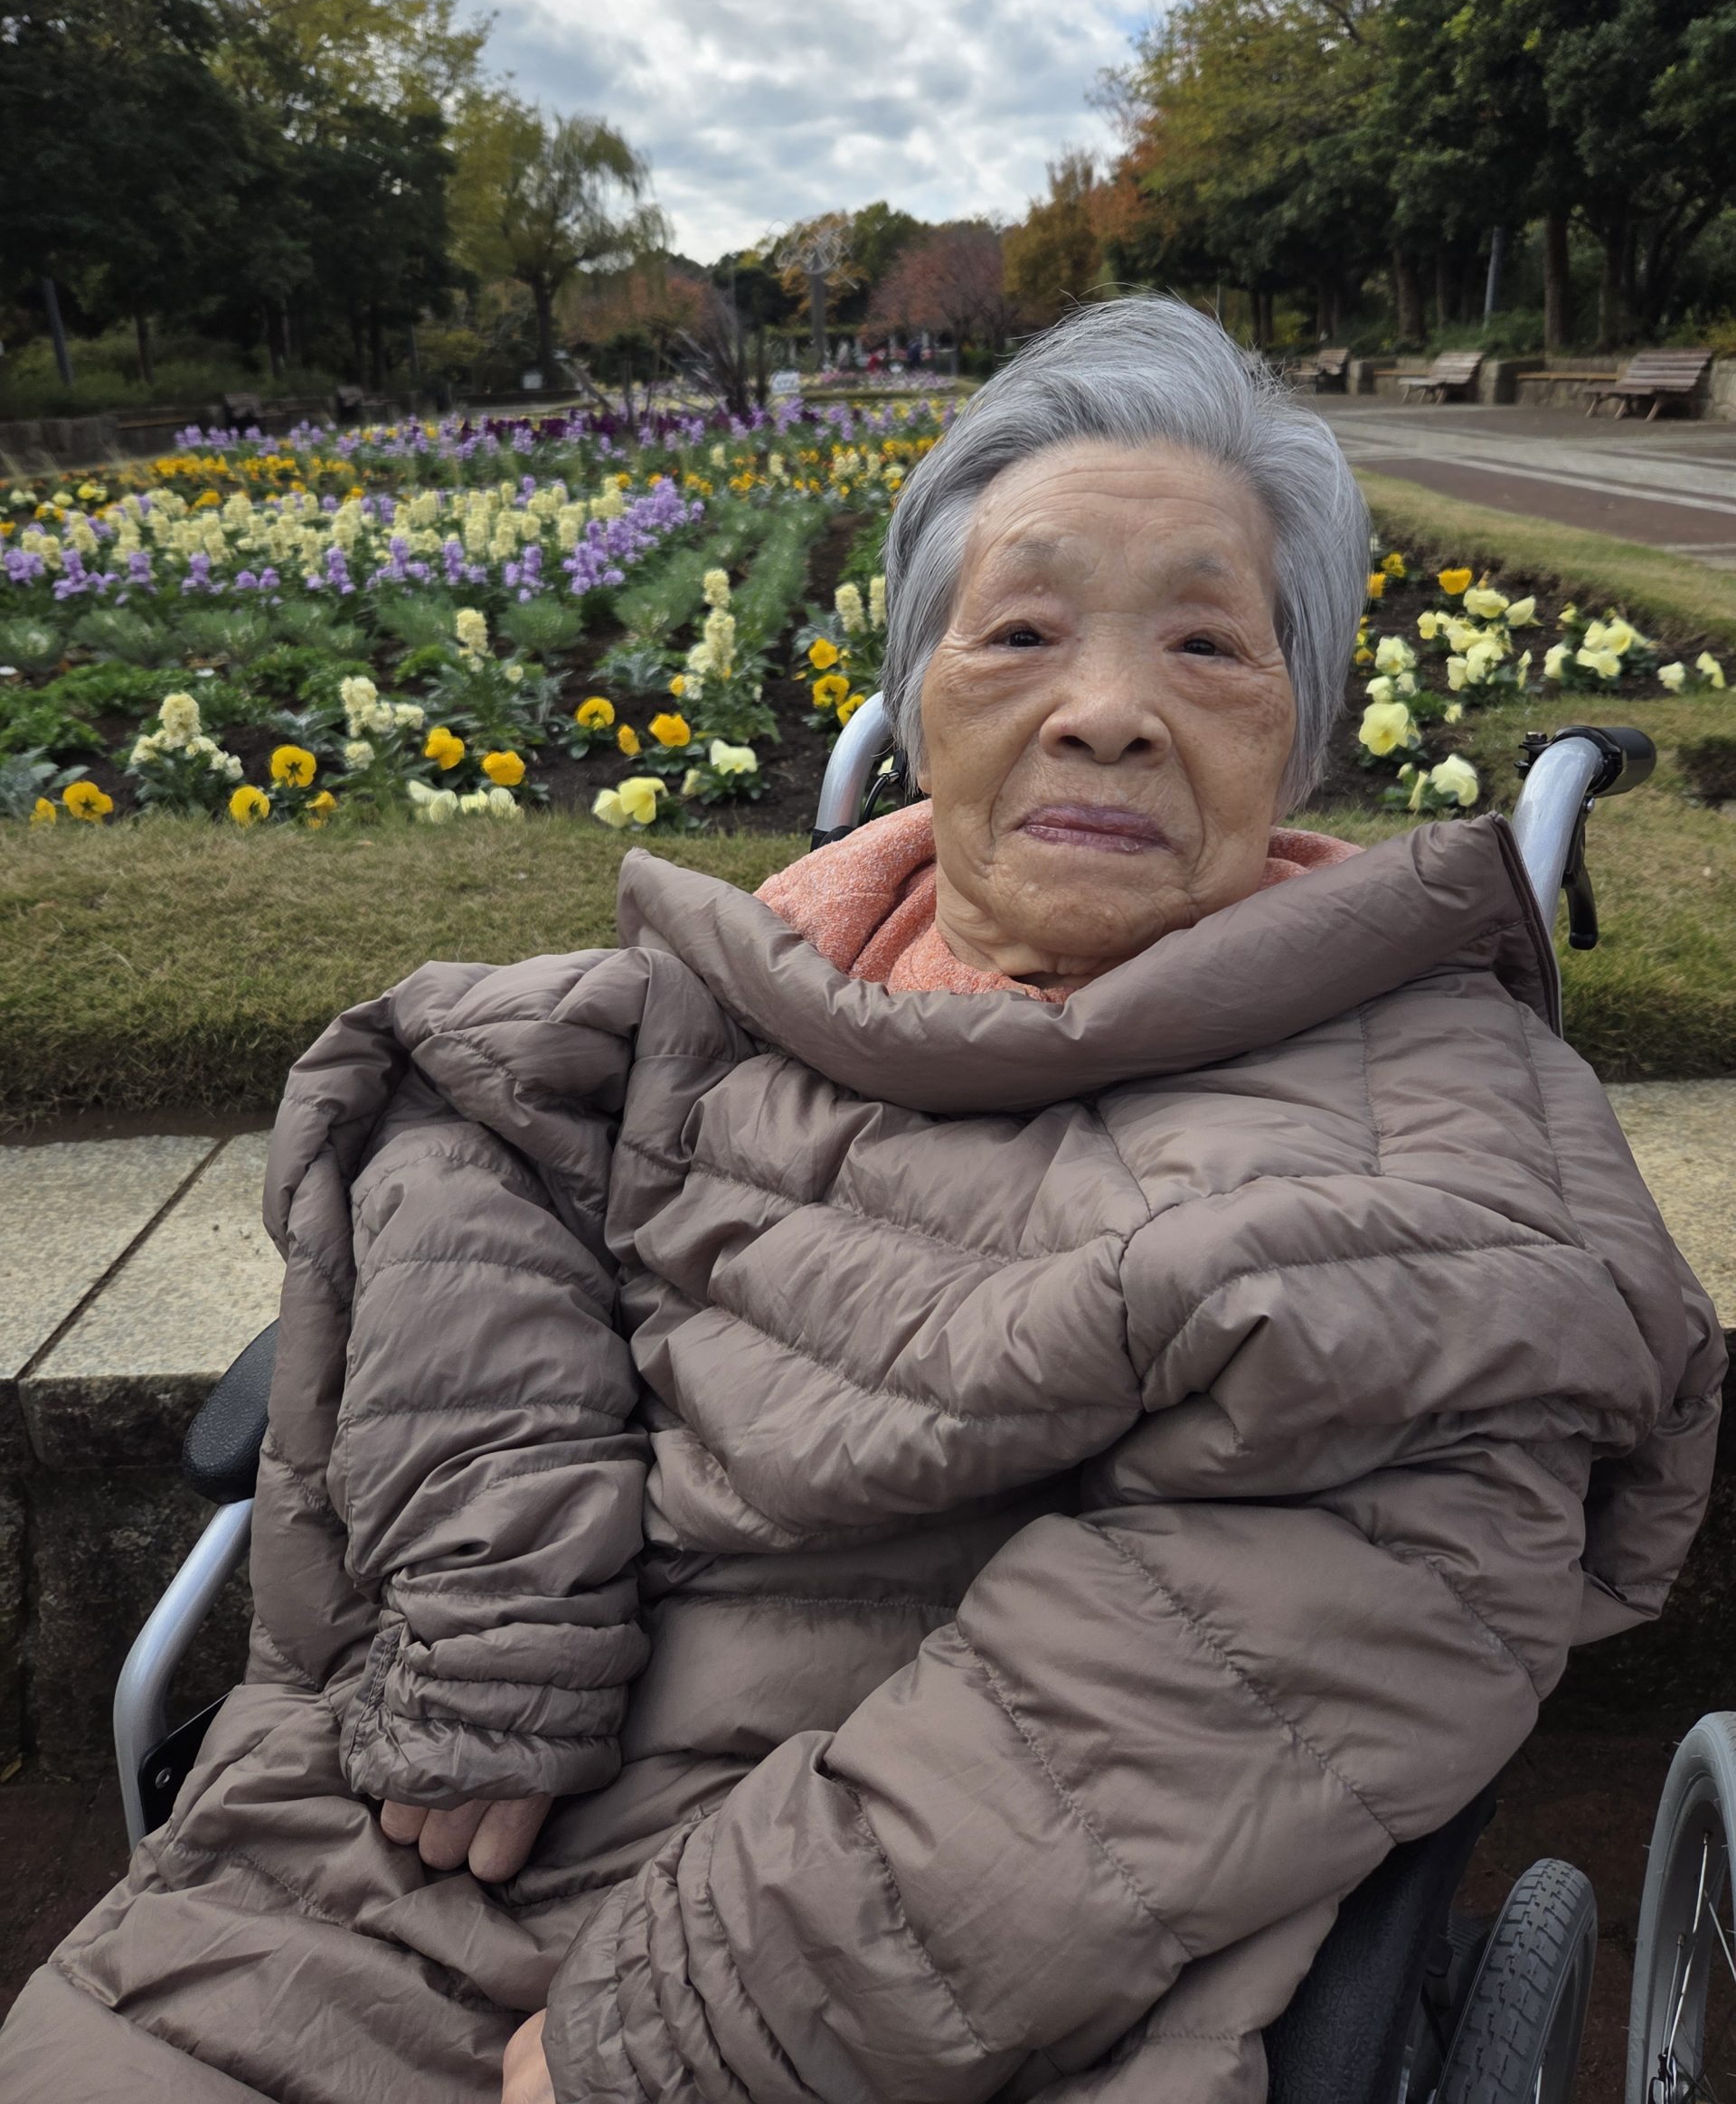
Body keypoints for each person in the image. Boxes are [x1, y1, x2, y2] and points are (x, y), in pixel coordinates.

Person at [3, 298, 1720, 2104]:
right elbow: (461, 1133)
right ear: (919, 709)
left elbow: (1243, 1652)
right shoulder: (724, 991)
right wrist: (500, 1609)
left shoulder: (1428, 1155)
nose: (1108, 713)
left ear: (1298, 731)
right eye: (1023, 631)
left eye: (1209, 643)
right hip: (401, 1837)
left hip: (876, 1990)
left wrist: (678, 2033)